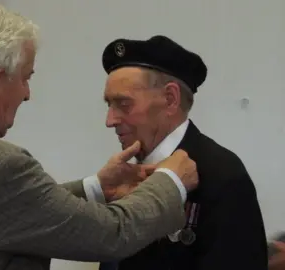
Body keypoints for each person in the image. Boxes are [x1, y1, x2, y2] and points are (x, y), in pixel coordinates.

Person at [0, 3, 199, 270]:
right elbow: (112, 234)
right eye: (25, 78)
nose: (27, 94)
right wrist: (170, 180)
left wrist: (96, 187)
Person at [95, 35, 268, 270]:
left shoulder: (221, 174)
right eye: (109, 104)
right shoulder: (121, 176)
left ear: (170, 99)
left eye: (123, 104)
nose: (110, 120)